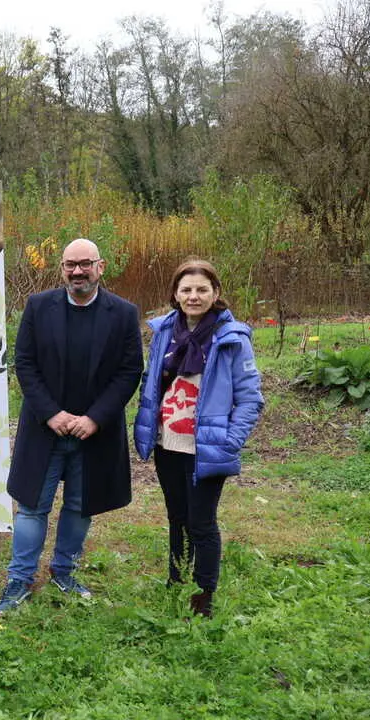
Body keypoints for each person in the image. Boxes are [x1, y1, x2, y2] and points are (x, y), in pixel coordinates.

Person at [0, 239, 143, 615]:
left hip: (95, 432)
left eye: (85, 264)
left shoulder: (124, 314)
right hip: (46, 428)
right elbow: (24, 363)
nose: (78, 271)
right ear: (61, 268)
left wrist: (95, 418)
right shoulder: (39, 307)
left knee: (80, 505)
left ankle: (64, 571)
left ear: (100, 266)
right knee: (31, 506)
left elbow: (129, 372)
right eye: (70, 265)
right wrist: (51, 414)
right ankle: (19, 580)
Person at [133, 258, 263, 618]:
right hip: (168, 443)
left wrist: (229, 441)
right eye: (186, 289)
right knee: (177, 517)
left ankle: (203, 595)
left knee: (202, 522)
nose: (194, 296)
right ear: (175, 294)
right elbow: (152, 382)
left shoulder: (231, 338)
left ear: (215, 293)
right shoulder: (164, 332)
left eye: (202, 289)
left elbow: (250, 398)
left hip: (206, 448)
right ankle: (177, 581)